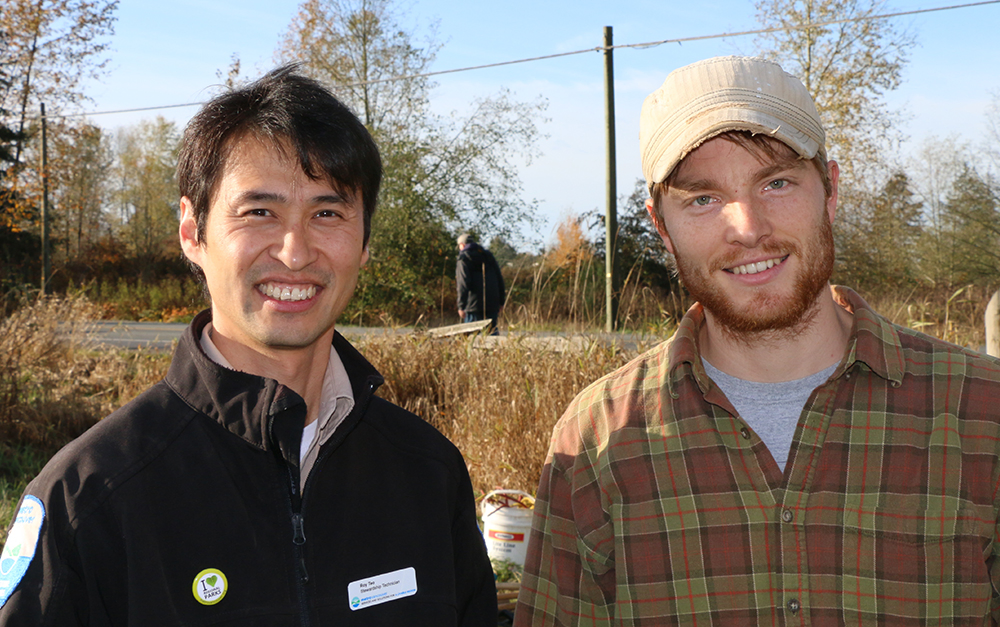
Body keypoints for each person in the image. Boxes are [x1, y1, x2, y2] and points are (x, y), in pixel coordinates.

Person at [0, 65, 496, 626]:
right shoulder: (90, 497)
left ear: (364, 245)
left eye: (327, 213)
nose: (295, 251)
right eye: (259, 212)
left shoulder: (428, 474)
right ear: (193, 232)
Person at [514, 55, 1000, 625]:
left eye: (776, 182)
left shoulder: (983, 414)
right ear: (662, 229)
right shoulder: (597, 442)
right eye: (703, 198)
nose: (747, 228)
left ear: (831, 192)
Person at [456, 232, 505, 334]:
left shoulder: (463, 258)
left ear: (462, 245)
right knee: (491, 333)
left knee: (471, 337)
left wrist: (461, 305)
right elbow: (499, 278)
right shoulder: (488, 256)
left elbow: (463, 284)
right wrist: (501, 301)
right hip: (492, 302)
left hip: (473, 305)